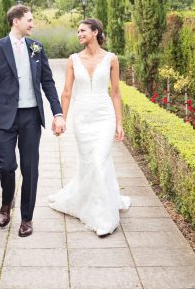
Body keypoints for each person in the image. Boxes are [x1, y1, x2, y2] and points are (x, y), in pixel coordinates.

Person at [0, 5, 63, 237]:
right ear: (16, 21)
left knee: (30, 168)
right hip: (6, 116)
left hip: (31, 116)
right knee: (6, 166)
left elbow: (48, 83)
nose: (32, 24)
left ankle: (27, 218)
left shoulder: (37, 48)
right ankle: (6, 203)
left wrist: (58, 113)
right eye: (29, 20)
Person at [48, 18, 130, 236]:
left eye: (82, 30)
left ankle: (104, 218)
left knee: (99, 160)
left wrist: (119, 123)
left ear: (95, 32)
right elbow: (66, 92)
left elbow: (115, 93)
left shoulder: (111, 59)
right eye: (77, 31)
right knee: (88, 162)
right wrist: (60, 119)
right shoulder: (73, 59)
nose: (79, 34)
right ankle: (87, 200)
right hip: (82, 117)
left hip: (104, 116)